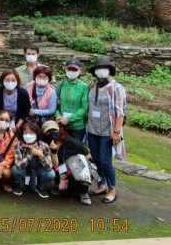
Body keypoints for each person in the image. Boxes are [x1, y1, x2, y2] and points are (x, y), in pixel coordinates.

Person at [86, 56, 125, 204]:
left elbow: (120, 112)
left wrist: (117, 132)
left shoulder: (116, 88)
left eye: (103, 68)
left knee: (105, 160)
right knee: (96, 158)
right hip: (93, 128)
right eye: (97, 68)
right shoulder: (92, 85)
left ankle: (112, 189)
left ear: (109, 70)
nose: (100, 71)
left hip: (107, 131)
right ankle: (101, 184)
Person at [42, 121, 92, 205]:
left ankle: (83, 192)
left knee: (75, 164)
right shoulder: (46, 145)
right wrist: (53, 152)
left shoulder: (72, 141)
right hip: (60, 169)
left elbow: (88, 155)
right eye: (49, 132)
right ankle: (59, 186)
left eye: (54, 130)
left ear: (59, 130)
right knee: (54, 169)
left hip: (75, 168)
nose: (52, 134)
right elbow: (55, 165)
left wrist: (76, 163)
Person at [11, 121, 55, 198]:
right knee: (15, 169)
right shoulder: (18, 144)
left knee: (51, 174)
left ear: (36, 134)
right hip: (24, 170)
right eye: (25, 133)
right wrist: (31, 155)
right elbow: (18, 164)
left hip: (38, 171)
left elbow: (49, 167)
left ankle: (41, 187)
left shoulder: (44, 145)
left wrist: (40, 155)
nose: (28, 135)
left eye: (31, 133)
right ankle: (21, 186)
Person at [55, 59, 89, 143]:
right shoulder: (61, 85)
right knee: (61, 150)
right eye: (70, 69)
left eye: (75, 70)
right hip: (62, 124)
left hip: (77, 126)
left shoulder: (84, 87)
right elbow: (55, 103)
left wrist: (69, 119)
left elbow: (84, 107)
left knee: (76, 151)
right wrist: (57, 115)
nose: (72, 71)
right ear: (65, 69)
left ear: (80, 70)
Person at [0, 110, 16, 194]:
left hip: (3, 162)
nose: (3, 122)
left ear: (10, 122)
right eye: (1, 119)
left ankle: (3, 182)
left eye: (7, 120)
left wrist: (0, 166)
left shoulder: (12, 137)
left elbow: (10, 156)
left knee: (7, 173)